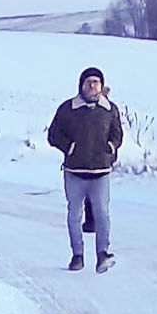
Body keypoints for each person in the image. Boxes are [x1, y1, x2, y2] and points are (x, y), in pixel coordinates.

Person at [47, 66, 124, 273]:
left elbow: (117, 134)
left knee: (102, 213)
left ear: (101, 85)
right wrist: (68, 147)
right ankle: (77, 255)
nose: (92, 85)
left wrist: (111, 147)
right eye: (89, 82)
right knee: (74, 214)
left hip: (100, 172)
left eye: (96, 82)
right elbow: (53, 135)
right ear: (81, 85)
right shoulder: (68, 109)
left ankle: (102, 254)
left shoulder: (109, 109)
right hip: (74, 172)